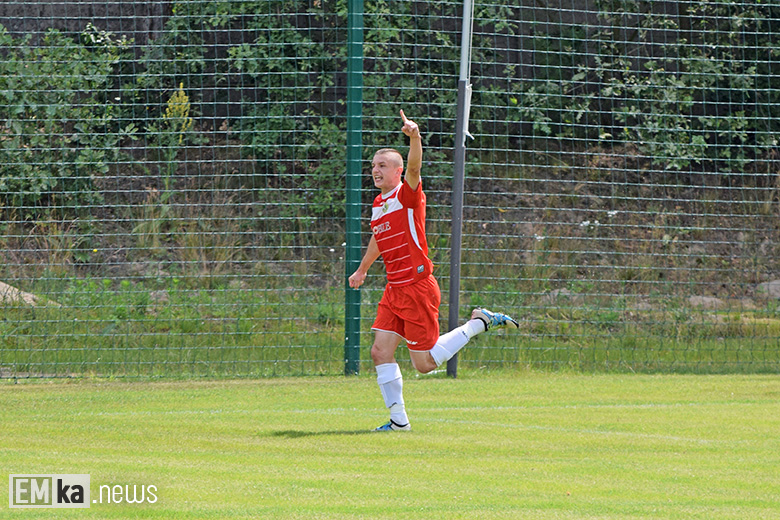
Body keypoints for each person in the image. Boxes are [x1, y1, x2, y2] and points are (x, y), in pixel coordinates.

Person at [348, 110, 519, 432]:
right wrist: (362, 270)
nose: (375, 170)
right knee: (379, 351)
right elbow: (378, 237)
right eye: (373, 165)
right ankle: (399, 422)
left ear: (398, 171)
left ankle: (478, 322)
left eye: (382, 165)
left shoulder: (408, 195)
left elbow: (415, 166)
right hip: (394, 288)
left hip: (416, 286)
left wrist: (414, 137)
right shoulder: (379, 203)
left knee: (424, 364)